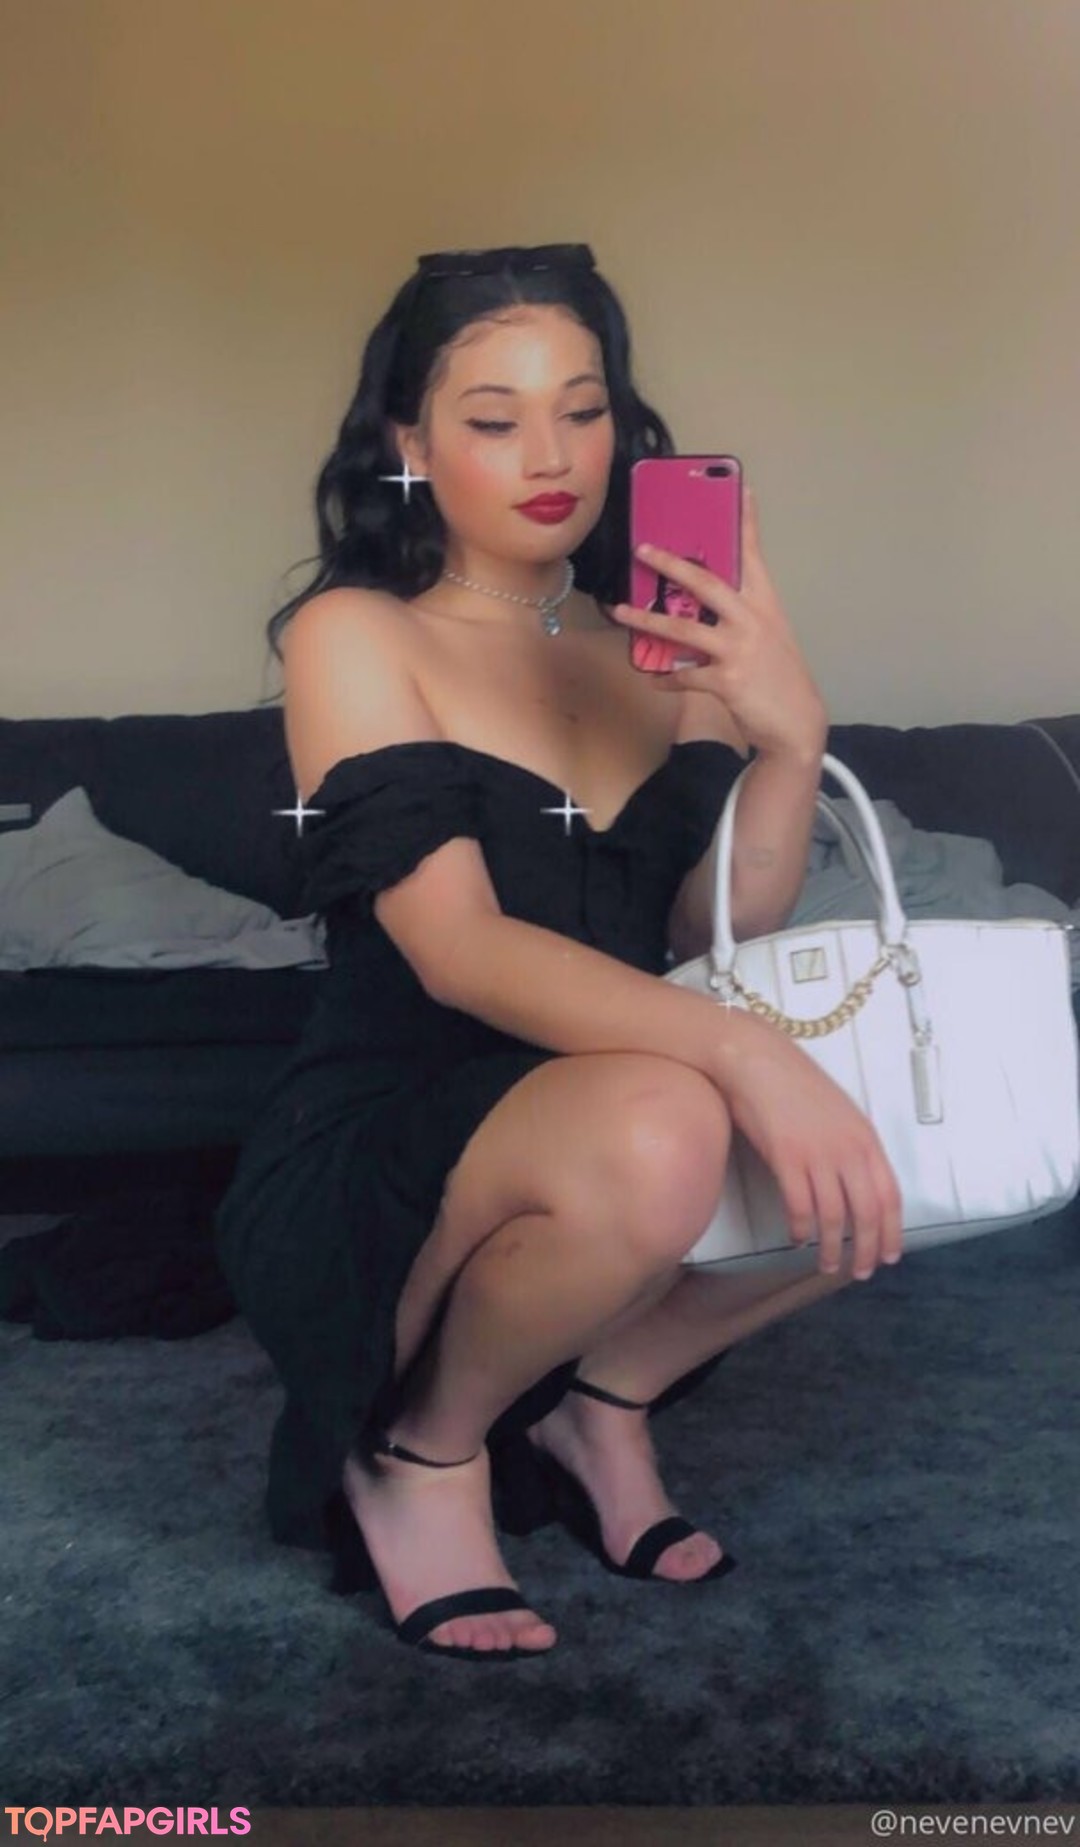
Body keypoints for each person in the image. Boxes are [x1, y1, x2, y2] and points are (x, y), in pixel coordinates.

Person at [215, 241, 902, 1665]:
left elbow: (716, 929)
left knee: (875, 1110)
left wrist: (791, 738)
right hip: (397, 1124)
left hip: (622, 1087)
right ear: (410, 445)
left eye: (584, 411)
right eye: (494, 417)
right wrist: (745, 1058)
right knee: (678, 1115)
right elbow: (458, 951)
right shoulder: (356, 633)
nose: (551, 455)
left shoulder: (660, 644)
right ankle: (424, 1448)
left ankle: (608, 1398)